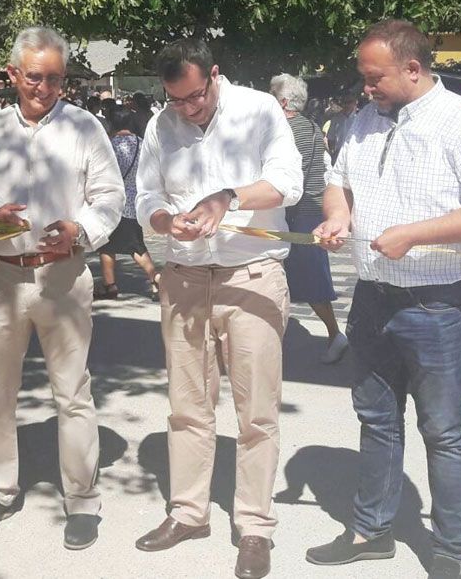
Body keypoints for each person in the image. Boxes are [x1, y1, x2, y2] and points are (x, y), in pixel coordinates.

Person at [306, 20, 461, 579]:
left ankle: (450, 549)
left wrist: (412, 234)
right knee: (375, 419)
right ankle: (370, 530)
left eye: (374, 77)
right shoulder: (362, 120)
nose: (365, 86)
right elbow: (338, 179)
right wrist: (338, 215)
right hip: (373, 296)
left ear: (413, 70)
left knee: (443, 430)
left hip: (439, 305)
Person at [0, 26, 124, 551]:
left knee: (73, 393)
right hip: (0, 275)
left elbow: (110, 196)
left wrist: (81, 230)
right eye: (33, 77)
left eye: (54, 79)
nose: (43, 89)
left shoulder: (85, 127)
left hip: (62, 276)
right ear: (12, 75)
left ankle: (83, 500)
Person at [133, 38, 302, 579]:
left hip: (251, 275)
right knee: (186, 406)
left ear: (215, 75)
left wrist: (227, 197)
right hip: (183, 278)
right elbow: (145, 197)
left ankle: (254, 526)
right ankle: (188, 512)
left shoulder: (258, 109)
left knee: (255, 412)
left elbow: (289, 183)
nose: (186, 109)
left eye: (194, 97)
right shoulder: (161, 125)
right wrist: (164, 221)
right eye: (175, 99)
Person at [270, 73, 348, 364]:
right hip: (306, 210)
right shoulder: (309, 126)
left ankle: (334, 335)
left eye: (271, 94)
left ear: (284, 101)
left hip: (300, 212)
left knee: (308, 278)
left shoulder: (291, 129)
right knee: (293, 277)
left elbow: (290, 176)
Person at [93, 107, 159, 300]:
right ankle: (153, 279)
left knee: (107, 245)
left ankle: (112, 284)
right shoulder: (142, 143)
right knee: (135, 244)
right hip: (134, 203)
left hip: (111, 203)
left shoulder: (109, 146)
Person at [324, 93, 360, 165]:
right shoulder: (336, 119)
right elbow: (330, 138)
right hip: (338, 155)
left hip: (355, 155)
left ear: (355, 102)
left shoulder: (359, 118)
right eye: (344, 102)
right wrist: (333, 152)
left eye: (349, 102)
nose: (347, 105)